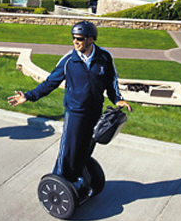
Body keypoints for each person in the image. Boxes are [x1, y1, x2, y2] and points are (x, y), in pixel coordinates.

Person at [7, 21, 132, 184]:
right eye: (73, 38)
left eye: (79, 38)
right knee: (68, 150)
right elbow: (50, 82)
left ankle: (79, 176)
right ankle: (60, 180)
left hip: (95, 111)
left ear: (91, 39)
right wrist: (29, 96)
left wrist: (117, 99)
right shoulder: (68, 60)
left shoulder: (104, 57)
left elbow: (111, 81)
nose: (75, 42)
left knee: (87, 147)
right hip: (75, 112)